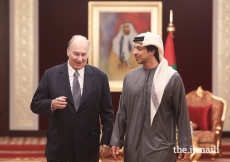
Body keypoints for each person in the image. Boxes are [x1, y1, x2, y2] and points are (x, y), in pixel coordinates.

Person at [110, 32, 192, 162]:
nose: (134, 52)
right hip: (132, 150)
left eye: (139, 48)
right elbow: (122, 112)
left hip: (161, 151)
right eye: (134, 47)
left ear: (152, 51)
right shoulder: (130, 78)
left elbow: (181, 114)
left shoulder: (171, 78)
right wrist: (116, 140)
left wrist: (185, 145)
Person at [30, 35, 114, 162]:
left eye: (84, 55)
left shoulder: (100, 77)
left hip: (88, 147)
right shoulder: (51, 74)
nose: (80, 59)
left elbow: (107, 113)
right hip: (59, 147)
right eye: (76, 54)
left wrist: (106, 141)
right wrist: (51, 104)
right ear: (68, 52)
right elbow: (35, 104)